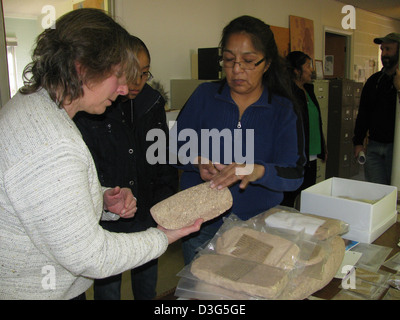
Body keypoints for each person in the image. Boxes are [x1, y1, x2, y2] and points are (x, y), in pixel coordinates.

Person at [0, 8, 201, 300]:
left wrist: (99, 197)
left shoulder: (30, 103)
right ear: (82, 69)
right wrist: (163, 237)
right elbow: (93, 257)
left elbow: (46, 202)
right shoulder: (54, 147)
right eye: (117, 76)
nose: (123, 89)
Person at [171, 15, 306, 265]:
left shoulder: (282, 109)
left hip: (258, 224)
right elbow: (172, 148)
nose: (236, 70)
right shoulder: (204, 96)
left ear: (266, 64)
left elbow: (295, 172)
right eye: (229, 60)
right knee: (204, 294)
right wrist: (195, 160)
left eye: (248, 61)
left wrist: (257, 171)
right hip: (202, 223)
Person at [74, 36, 178, 300]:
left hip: (147, 209)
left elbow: (161, 156)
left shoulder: (152, 102)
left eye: (145, 74)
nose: (138, 82)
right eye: (132, 74)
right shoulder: (94, 105)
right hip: (109, 215)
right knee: (108, 287)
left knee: (146, 283)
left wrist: (164, 203)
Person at [281, 51, 327, 208]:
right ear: (296, 70)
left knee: (307, 197)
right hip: (297, 156)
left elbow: (316, 121)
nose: (311, 70)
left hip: (312, 154)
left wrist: (323, 146)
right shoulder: (288, 94)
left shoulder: (309, 90)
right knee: (290, 198)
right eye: (308, 65)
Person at [353, 32, 400, 185]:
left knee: (395, 192)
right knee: (377, 192)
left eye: (388, 49)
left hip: (396, 148)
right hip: (374, 146)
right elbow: (364, 113)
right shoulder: (374, 81)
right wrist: (358, 142)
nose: (384, 54)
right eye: (382, 50)